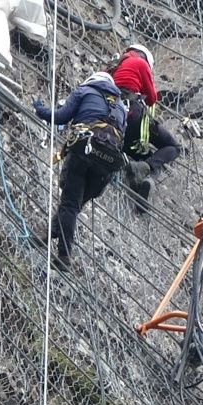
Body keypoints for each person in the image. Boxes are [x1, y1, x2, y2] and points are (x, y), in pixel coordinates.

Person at [32, 72, 127, 270]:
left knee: (69, 204)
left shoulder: (85, 91)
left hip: (84, 152)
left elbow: (60, 117)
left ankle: (64, 255)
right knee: (72, 206)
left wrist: (39, 109)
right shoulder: (121, 107)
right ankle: (48, 233)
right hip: (106, 166)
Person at [110, 43, 181, 205]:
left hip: (113, 121)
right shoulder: (140, 63)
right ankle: (145, 172)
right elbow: (152, 98)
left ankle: (141, 182)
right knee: (173, 147)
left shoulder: (114, 66)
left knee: (145, 155)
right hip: (132, 114)